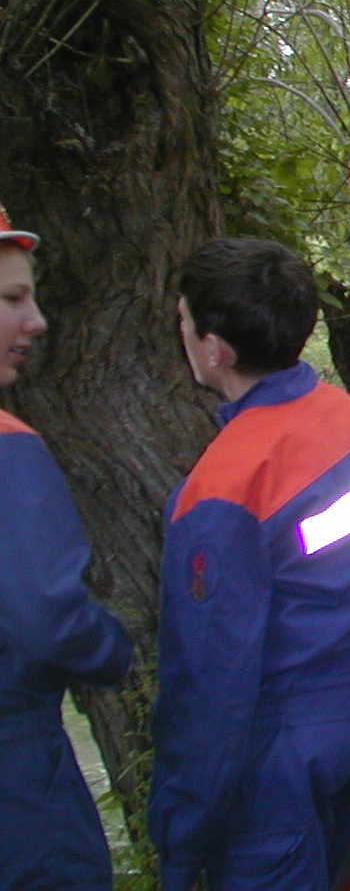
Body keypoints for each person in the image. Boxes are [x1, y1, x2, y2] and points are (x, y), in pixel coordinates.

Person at [149, 238, 350, 891]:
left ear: (216, 349)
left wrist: (182, 839)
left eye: (183, 320)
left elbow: (209, 684)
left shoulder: (224, 487)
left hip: (275, 751)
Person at [0, 205, 132, 890]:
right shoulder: (9, 451)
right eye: (12, 299)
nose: (38, 321)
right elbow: (47, 617)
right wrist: (114, 651)